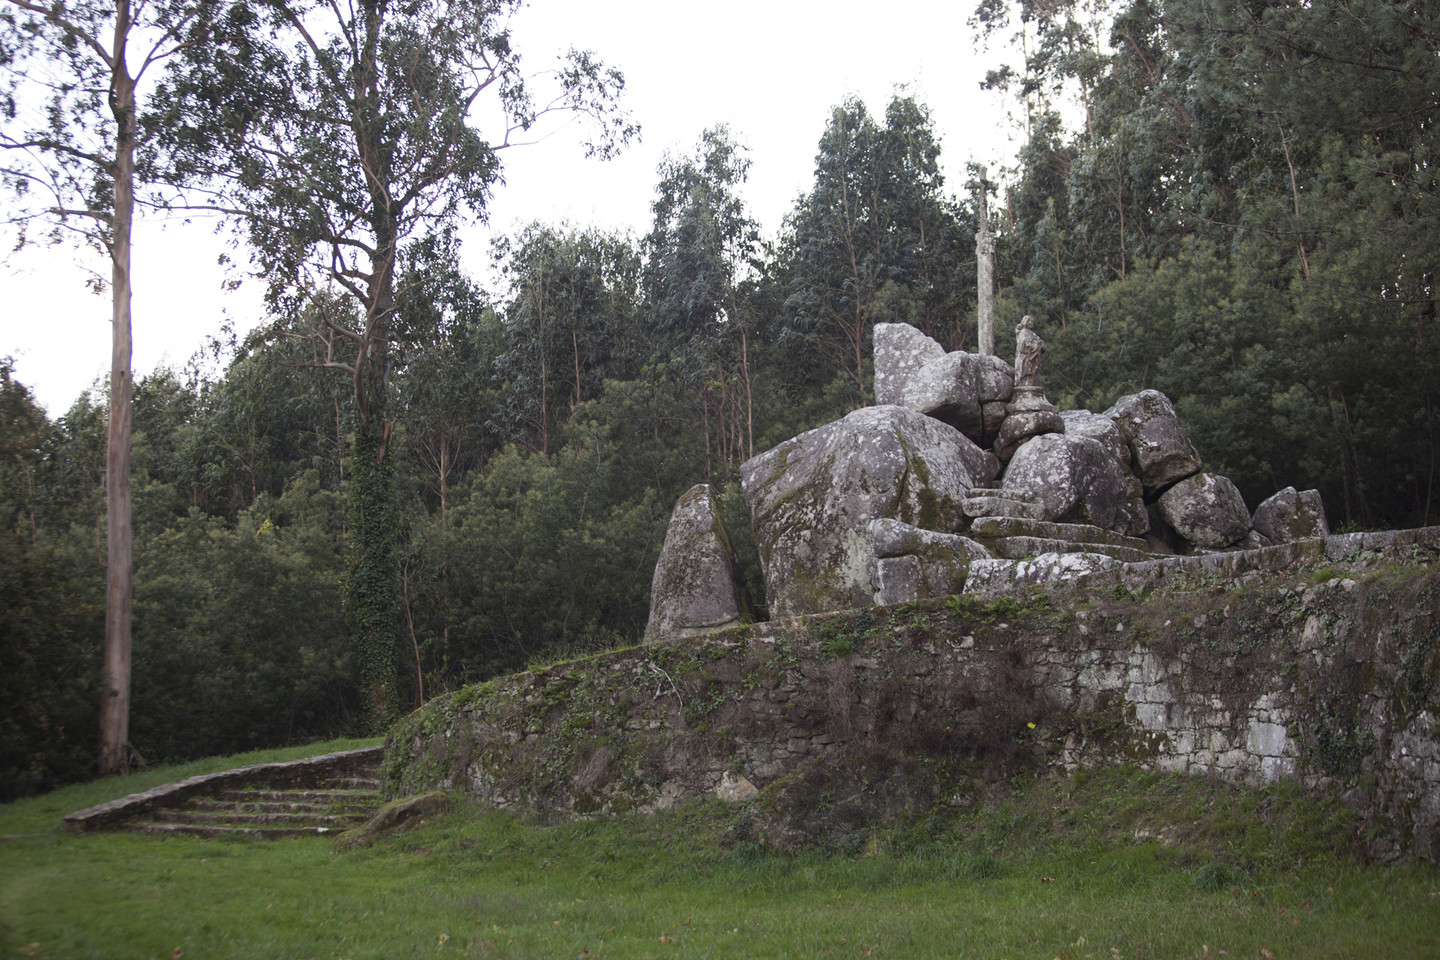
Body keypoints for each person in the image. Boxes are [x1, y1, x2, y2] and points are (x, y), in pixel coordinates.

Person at [1014, 315, 1044, 389]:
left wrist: (1040, 344)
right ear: (1026, 322)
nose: (1032, 323)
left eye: (1032, 321)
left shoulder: (1032, 333)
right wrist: (1035, 345)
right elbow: (1023, 345)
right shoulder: (1023, 332)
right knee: (1026, 376)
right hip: (1026, 358)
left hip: (1034, 359)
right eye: (1030, 321)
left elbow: (1042, 343)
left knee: (1034, 377)